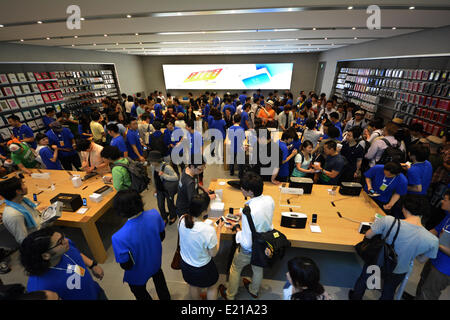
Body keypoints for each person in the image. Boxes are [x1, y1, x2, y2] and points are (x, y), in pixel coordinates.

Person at [349, 195, 439, 300]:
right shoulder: (432, 240)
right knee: (389, 290)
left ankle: (356, 297)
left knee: (364, 280)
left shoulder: (388, 221)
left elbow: (368, 235)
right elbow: (421, 259)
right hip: (399, 269)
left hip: (379, 262)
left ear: (404, 208)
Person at [219, 171, 275, 300]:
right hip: (264, 243)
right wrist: (242, 213)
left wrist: (237, 228)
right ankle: (254, 291)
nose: (241, 190)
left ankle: (230, 295)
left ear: (250, 192)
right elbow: (259, 212)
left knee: (235, 268)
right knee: (258, 268)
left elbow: (246, 240)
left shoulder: (248, 211)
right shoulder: (269, 200)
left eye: (243, 189)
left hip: (249, 248)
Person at [111, 190, 171, 300]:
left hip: (138, 272)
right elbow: (162, 236)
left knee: (139, 292)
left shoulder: (118, 237)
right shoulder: (154, 214)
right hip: (155, 262)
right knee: (160, 284)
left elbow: (126, 265)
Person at [20, 227, 107, 300]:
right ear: (46, 255)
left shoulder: (66, 247)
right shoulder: (40, 288)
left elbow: (76, 253)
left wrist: (92, 264)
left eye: (63, 237)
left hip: (96, 292)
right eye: (60, 242)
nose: (66, 240)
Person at [179, 193, 223, 300]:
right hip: (202, 268)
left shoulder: (182, 219)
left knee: (193, 285)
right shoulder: (208, 230)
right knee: (212, 286)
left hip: (185, 264)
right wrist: (219, 231)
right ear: (204, 211)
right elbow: (213, 253)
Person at [416, 190, 450, 300]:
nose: (441, 201)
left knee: (429, 293)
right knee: (423, 281)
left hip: (444, 268)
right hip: (434, 257)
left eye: (445, 200)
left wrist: (437, 245)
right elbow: (435, 230)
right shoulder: (448, 216)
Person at [0, 177, 45, 245]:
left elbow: (30, 214)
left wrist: (39, 210)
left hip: (41, 229)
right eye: (23, 184)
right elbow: (23, 240)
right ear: (18, 191)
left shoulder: (22, 200)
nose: (26, 186)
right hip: (37, 240)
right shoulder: (14, 215)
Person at [148, 151, 178, 225]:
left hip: (167, 190)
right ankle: (164, 218)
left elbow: (175, 177)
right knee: (160, 205)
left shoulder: (167, 167)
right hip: (159, 190)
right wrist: (155, 188)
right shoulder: (152, 166)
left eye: (152, 161)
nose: (150, 162)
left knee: (170, 204)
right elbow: (154, 178)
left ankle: (173, 216)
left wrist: (164, 175)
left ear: (157, 160)